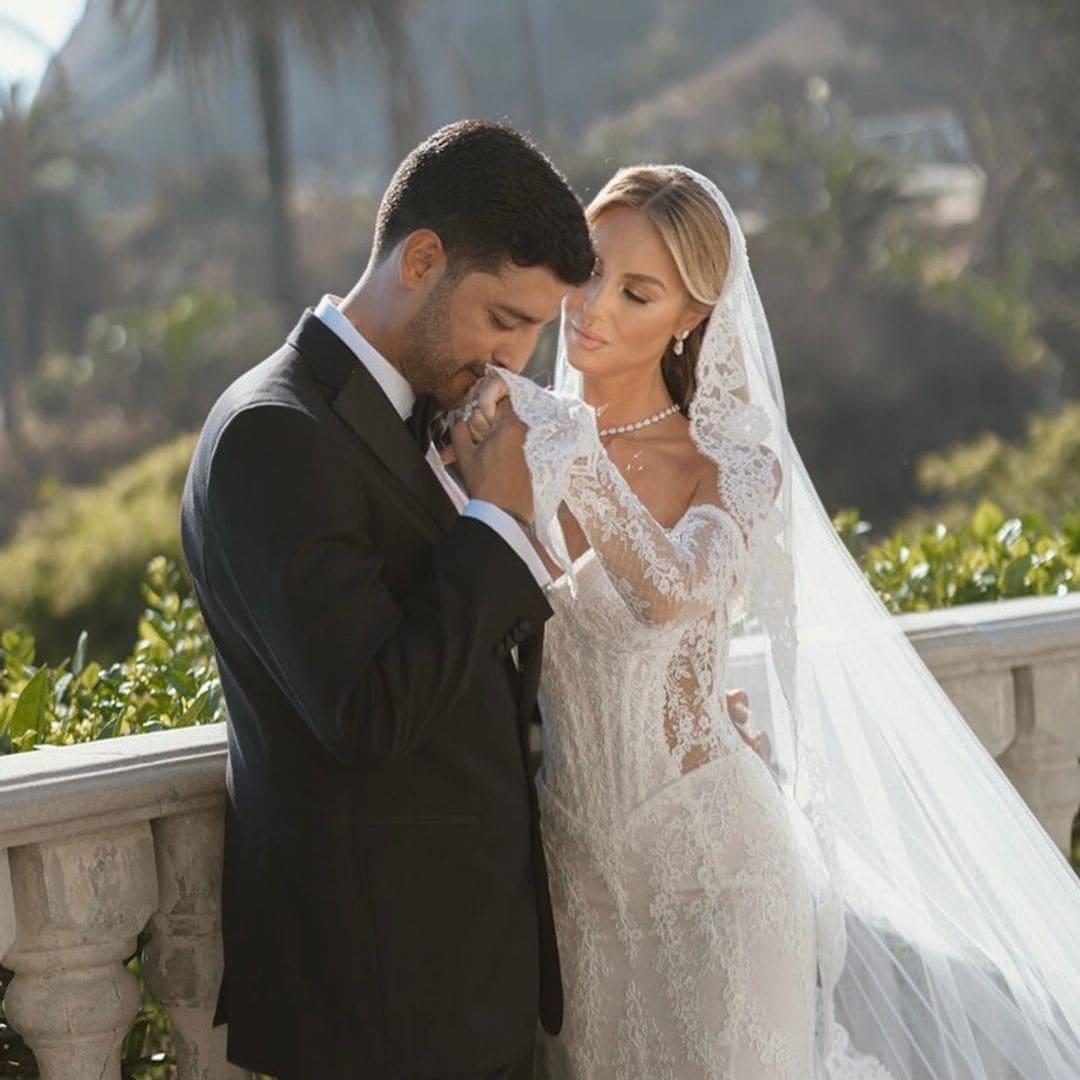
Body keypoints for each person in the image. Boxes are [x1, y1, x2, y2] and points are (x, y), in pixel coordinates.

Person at [463, 165, 1080, 1078]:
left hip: (720, 876)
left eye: (637, 292)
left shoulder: (732, 464)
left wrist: (577, 453)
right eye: (588, 271)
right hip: (578, 886)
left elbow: (672, 589)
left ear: (689, 319)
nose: (591, 305)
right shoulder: (514, 440)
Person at [180, 119, 594, 1080]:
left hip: (464, 985)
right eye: (503, 318)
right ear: (421, 259)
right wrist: (493, 521)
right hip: (379, 1005)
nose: (517, 360)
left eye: (537, 330)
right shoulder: (273, 435)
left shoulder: (428, 416)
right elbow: (366, 707)